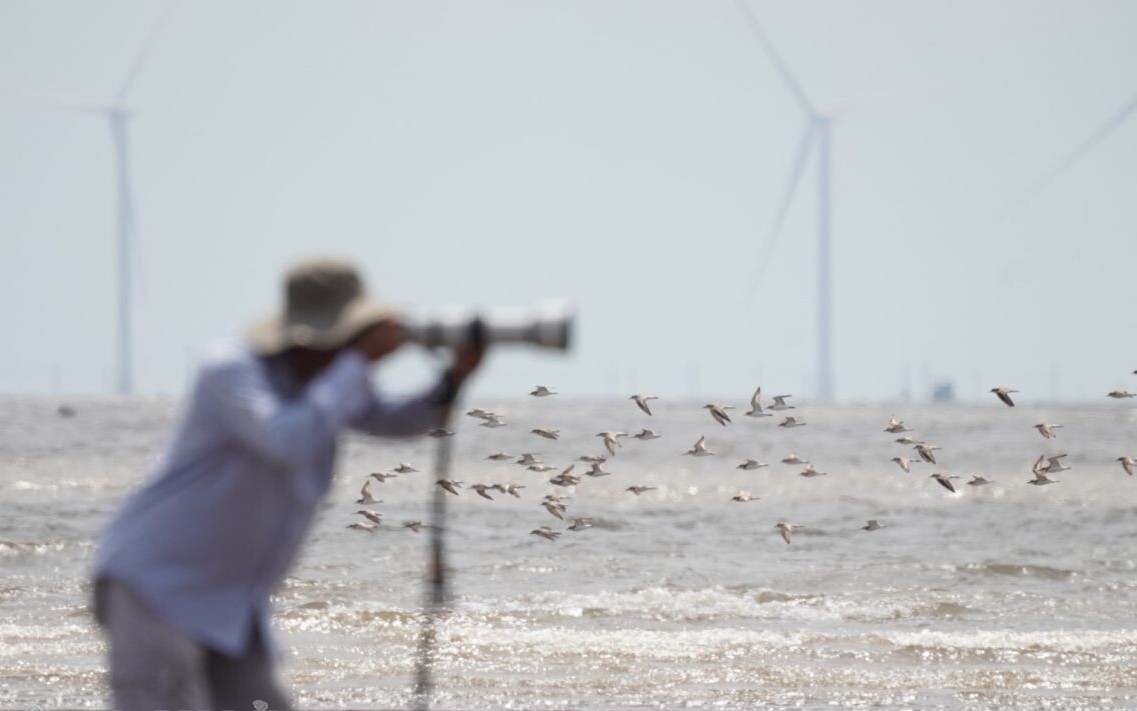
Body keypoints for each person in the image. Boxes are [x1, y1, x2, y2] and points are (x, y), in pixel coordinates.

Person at [91, 258, 484, 711]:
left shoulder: (329, 383)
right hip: (156, 586)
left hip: (231, 604)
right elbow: (285, 439)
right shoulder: (233, 370)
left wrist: (453, 379)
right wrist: (355, 365)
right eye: (350, 339)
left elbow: (397, 420)